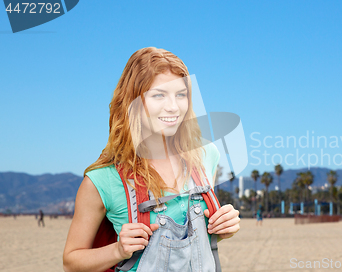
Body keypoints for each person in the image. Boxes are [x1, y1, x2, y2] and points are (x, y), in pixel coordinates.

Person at [63, 47, 240, 272]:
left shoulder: (207, 154)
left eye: (180, 94)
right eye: (159, 95)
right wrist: (117, 250)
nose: (173, 107)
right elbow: (71, 262)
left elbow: (196, 243)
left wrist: (224, 228)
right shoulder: (102, 180)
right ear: (133, 101)